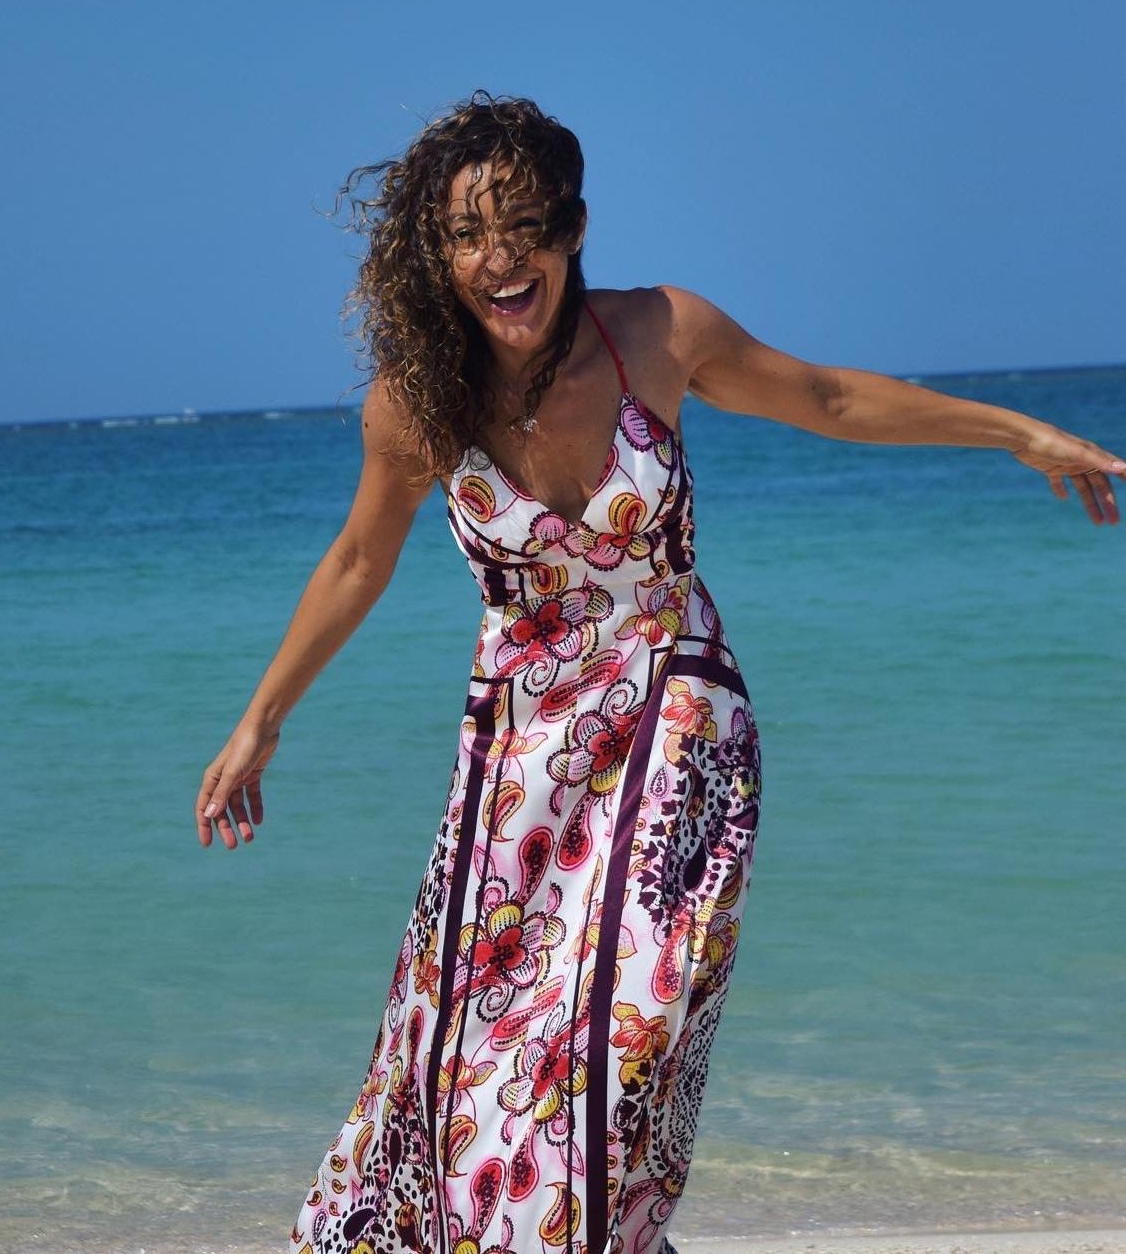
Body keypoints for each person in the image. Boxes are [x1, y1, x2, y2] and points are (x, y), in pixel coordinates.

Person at [193, 91, 1122, 1254]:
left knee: (624, 1036)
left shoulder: (659, 337)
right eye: (469, 235)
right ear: (439, 255)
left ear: (574, 227)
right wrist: (261, 720)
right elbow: (356, 558)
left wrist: (1020, 432)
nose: (500, 259)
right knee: (465, 1046)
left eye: (523, 226)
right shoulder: (417, 400)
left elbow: (829, 396)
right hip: (521, 756)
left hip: (679, 724)